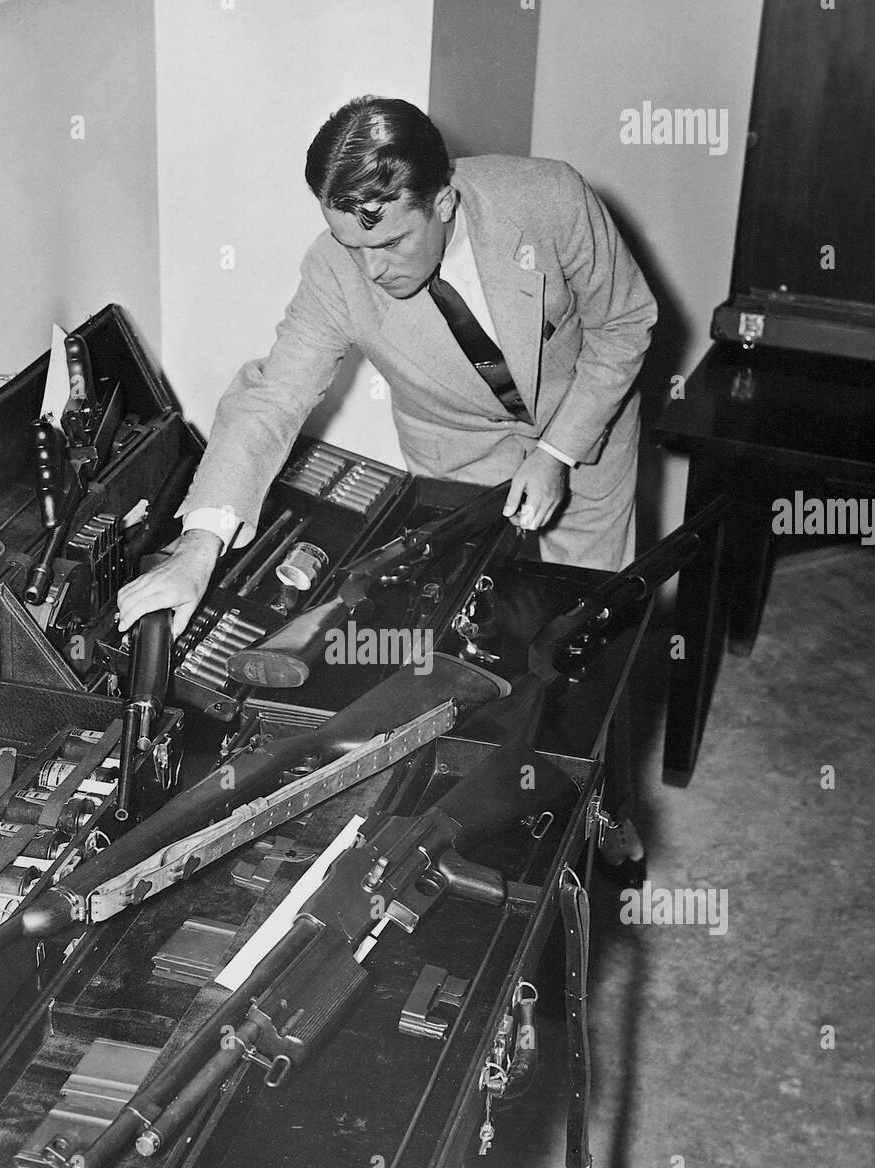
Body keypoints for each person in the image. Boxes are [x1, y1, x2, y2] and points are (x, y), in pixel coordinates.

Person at [117, 96, 656, 877]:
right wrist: (197, 549)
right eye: (350, 244)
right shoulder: (338, 266)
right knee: (476, 653)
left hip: (586, 432)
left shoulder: (548, 198)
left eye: (392, 240)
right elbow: (271, 399)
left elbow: (626, 323)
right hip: (455, 454)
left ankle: (608, 806)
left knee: (588, 638)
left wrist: (559, 450)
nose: (372, 269)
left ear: (444, 201)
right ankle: (498, 830)